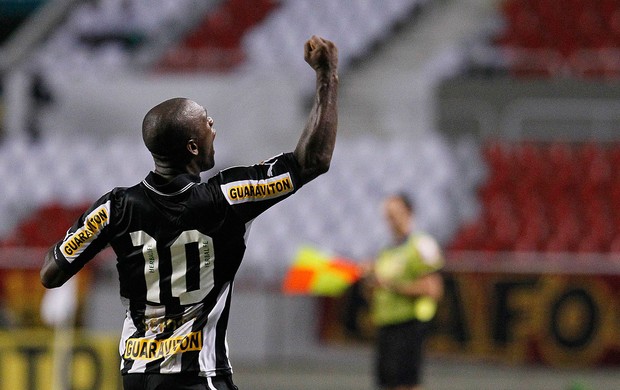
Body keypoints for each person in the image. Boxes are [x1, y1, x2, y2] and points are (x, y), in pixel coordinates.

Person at [40, 35, 338, 390]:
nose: (215, 128)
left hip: (137, 375)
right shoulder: (226, 198)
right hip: (198, 375)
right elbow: (313, 160)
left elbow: (51, 273)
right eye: (208, 123)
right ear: (193, 146)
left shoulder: (114, 208)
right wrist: (327, 75)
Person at [368, 193, 444, 390]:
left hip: (409, 324)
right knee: (387, 383)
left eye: (396, 214)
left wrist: (391, 285)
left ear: (409, 213)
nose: (391, 220)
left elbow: (433, 289)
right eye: (388, 215)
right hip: (386, 324)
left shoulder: (421, 245)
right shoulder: (386, 251)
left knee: (406, 383)